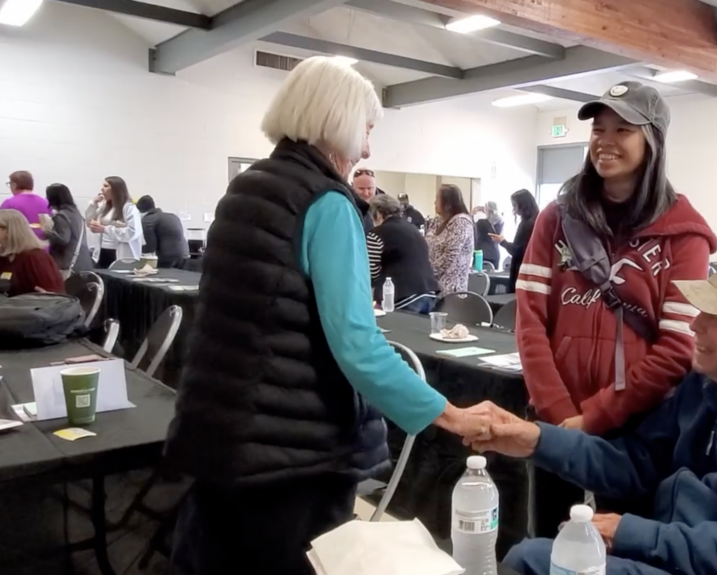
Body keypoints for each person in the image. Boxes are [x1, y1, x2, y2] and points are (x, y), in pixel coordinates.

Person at [163, 57, 488, 575]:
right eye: (366, 128)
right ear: (336, 120)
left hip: (221, 429)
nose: (367, 146)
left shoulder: (247, 188)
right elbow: (357, 344)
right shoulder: (327, 205)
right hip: (295, 450)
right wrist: (450, 415)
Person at [468, 253, 717, 575]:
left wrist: (634, 534)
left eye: (716, 316)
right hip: (674, 556)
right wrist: (537, 440)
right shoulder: (710, 383)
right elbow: (637, 462)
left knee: (536, 562)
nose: (695, 324)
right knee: (533, 559)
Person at [514, 82, 717, 536]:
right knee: (549, 542)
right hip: (554, 419)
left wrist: (596, 416)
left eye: (623, 129)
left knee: (622, 545)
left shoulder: (685, 236)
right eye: (598, 128)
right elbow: (530, 319)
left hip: (639, 430)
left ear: (653, 141)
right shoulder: (557, 217)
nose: (605, 140)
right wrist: (558, 413)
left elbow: (678, 349)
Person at [366, 193, 439, 312]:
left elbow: (372, 271)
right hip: (429, 291)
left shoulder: (377, 233)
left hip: (402, 294)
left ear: (378, 214)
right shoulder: (412, 228)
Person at [0, 210, 64, 296]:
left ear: (10, 230)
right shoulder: (4, 255)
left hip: (32, 308)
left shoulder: (35, 258)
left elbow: (53, 296)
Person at [425, 184, 475, 294]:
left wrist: (427, 274)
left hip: (451, 289)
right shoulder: (436, 221)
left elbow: (449, 256)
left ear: (448, 204)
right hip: (431, 285)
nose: (434, 202)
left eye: (437, 199)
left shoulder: (461, 222)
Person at [84, 176, 142, 268]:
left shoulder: (129, 208)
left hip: (119, 254)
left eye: (106, 186)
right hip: (101, 253)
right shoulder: (105, 206)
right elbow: (89, 222)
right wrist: (93, 204)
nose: (102, 189)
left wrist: (105, 229)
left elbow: (133, 232)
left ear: (116, 190)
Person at [40, 184, 93, 278]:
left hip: (67, 263)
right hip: (83, 261)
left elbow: (63, 239)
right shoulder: (76, 213)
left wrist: (46, 231)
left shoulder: (61, 216)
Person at [489, 189, 538, 286]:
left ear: (523, 205)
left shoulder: (528, 224)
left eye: (515, 205)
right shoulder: (534, 221)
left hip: (521, 272)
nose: (514, 209)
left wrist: (503, 242)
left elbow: (519, 250)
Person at [136, 195, 189, 269]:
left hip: (166, 258)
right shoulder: (173, 216)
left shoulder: (148, 220)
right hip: (184, 256)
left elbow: (149, 246)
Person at [2, 171, 50, 240]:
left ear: (14, 185)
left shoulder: (9, 204)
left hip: (18, 247)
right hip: (42, 247)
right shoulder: (45, 203)